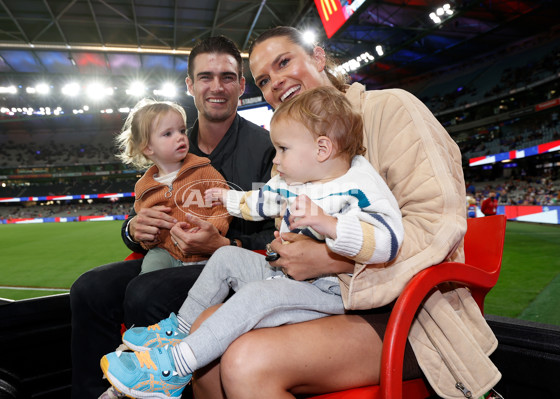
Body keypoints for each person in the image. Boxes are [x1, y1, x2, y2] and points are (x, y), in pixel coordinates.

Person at [185, 26, 501, 399]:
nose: (276, 83)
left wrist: (332, 258)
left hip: (413, 313)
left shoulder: (390, 108)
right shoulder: (291, 152)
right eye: (264, 80)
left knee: (246, 360)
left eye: (284, 61)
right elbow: (278, 228)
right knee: (205, 330)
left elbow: (437, 227)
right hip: (320, 299)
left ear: (318, 57)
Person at [99, 86, 404, 398]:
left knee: (260, 295)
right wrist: (226, 198)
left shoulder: (359, 185)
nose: (277, 157)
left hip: (335, 292)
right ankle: (176, 333)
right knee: (225, 258)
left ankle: (173, 369)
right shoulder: (293, 180)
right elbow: (261, 201)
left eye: (283, 148)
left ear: (321, 149)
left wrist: (332, 226)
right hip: (289, 275)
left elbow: (389, 241)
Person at [69, 35, 275, 398]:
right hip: (170, 254)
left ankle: (148, 384)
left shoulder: (266, 148)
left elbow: (277, 232)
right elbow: (141, 209)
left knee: (147, 291)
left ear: (242, 86)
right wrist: (134, 229)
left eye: (227, 77)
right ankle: (92, 393)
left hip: (234, 263)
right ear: (190, 85)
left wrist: (227, 242)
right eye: (206, 76)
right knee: (89, 288)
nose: (216, 87)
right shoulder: (169, 135)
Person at [115, 99, 231, 274]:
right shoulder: (144, 187)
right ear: (148, 147)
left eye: (182, 130)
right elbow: (145, 225)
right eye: (168, 133)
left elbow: (223, 203)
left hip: (205, 251)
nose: (180, 136)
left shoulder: (203, 170)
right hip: (164, 252)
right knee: (146, 282)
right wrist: (148, 239)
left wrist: (214, 229)